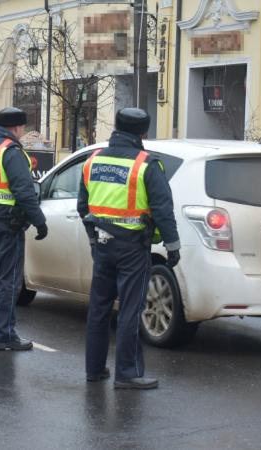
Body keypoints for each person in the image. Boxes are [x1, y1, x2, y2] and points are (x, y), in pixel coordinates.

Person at [77, 107, 180, 389]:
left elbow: (82, 206)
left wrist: (92, 238)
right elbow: (162, 208)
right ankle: (128, 373)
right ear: (143, 133)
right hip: (133, 247)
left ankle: (95, 369)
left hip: (102, 244)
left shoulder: (92, 160)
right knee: (130, 309)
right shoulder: (146, 164)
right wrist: (172, 246)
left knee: (98, 308)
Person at [0, 107, 47, 351]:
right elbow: (24, 191)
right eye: (22, 128)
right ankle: (4, 335)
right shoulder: (11, 152)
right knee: (9, 281)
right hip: (8, 224)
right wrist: (39, 220)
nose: (23, 132)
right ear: (16, 127)